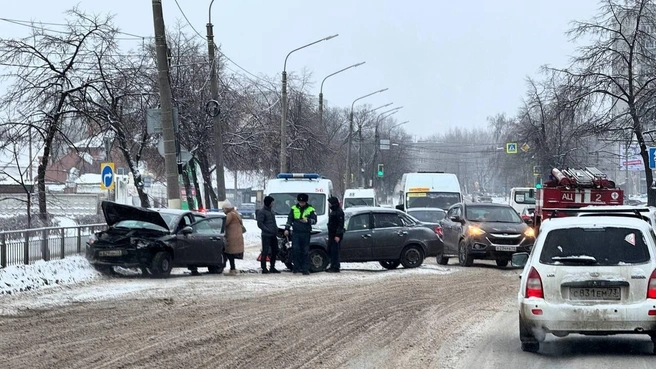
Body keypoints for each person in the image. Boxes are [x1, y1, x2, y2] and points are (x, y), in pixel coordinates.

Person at [284, 193, 317, 275]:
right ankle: (296, 267)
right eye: (300, 201)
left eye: (303, 202)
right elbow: (289, 219)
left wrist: (308, 221)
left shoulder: (311, 209)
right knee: (295, 250)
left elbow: (314, 221)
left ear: (306, 202)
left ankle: (305, 269)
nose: (301, 203)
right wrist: (287, 229)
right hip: (296, 233)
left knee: (305, 251)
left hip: (306, 233)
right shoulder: (293, 208)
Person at [257, 195, 280, 274]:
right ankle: (264, 268)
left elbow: (273, 222)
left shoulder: (271, 211)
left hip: (273, 235)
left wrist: (276, 229)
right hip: (266, 235)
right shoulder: (262, 212)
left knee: (275, 250)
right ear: (269, 203)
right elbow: (260, 224)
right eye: (272, 202)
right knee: (265, 251)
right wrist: (268, 230)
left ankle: (272, 267)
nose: (273, 203)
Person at [222, 199, 244, 276]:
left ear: (226, 208)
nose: (223, 210)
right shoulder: (235, 213)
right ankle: (232, 268)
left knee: (229, 253)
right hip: (237, 236)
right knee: (230, 254)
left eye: (223, 209)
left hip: (232, 237)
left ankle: (232, 269)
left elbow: (225, 223)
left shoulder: (230, 215)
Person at [326, 196, 345, 273]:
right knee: (331, 251)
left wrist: (338, 235)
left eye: (330, 203)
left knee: (335, 251)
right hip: (332, 234)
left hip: (336, 235)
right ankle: (332, 265)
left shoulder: (339, 212)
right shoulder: (334, 211)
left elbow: (340, 224)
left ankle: (336, 267)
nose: (329, 205)